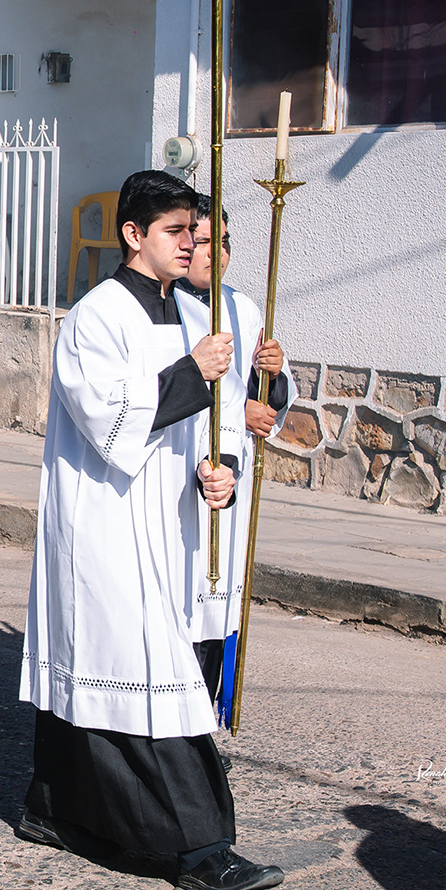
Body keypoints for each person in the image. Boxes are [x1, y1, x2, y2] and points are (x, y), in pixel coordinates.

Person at [17, 169, 283, 890]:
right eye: (176, 231)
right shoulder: (96, 316)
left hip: (174, 520)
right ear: (134, 234)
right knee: (148, 671)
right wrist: (191, 373)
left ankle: (52, 805)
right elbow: (109, 421)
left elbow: (221, 420)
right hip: (106, 519)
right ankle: (202, 848)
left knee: (103, 666)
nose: (190, 243)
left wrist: (222, 468)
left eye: (194, 231)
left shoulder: (197, 316)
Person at [176, 198, 294, 716]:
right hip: (181, 479)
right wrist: (234, 410)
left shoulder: (243, 308)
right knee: (179, 599)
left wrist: (272, 380)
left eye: (223, 242)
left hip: (230, 478)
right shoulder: (166, 308)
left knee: (219, 600)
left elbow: (262, 395)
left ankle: (203, 721)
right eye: (204, 241)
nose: (216, 253)